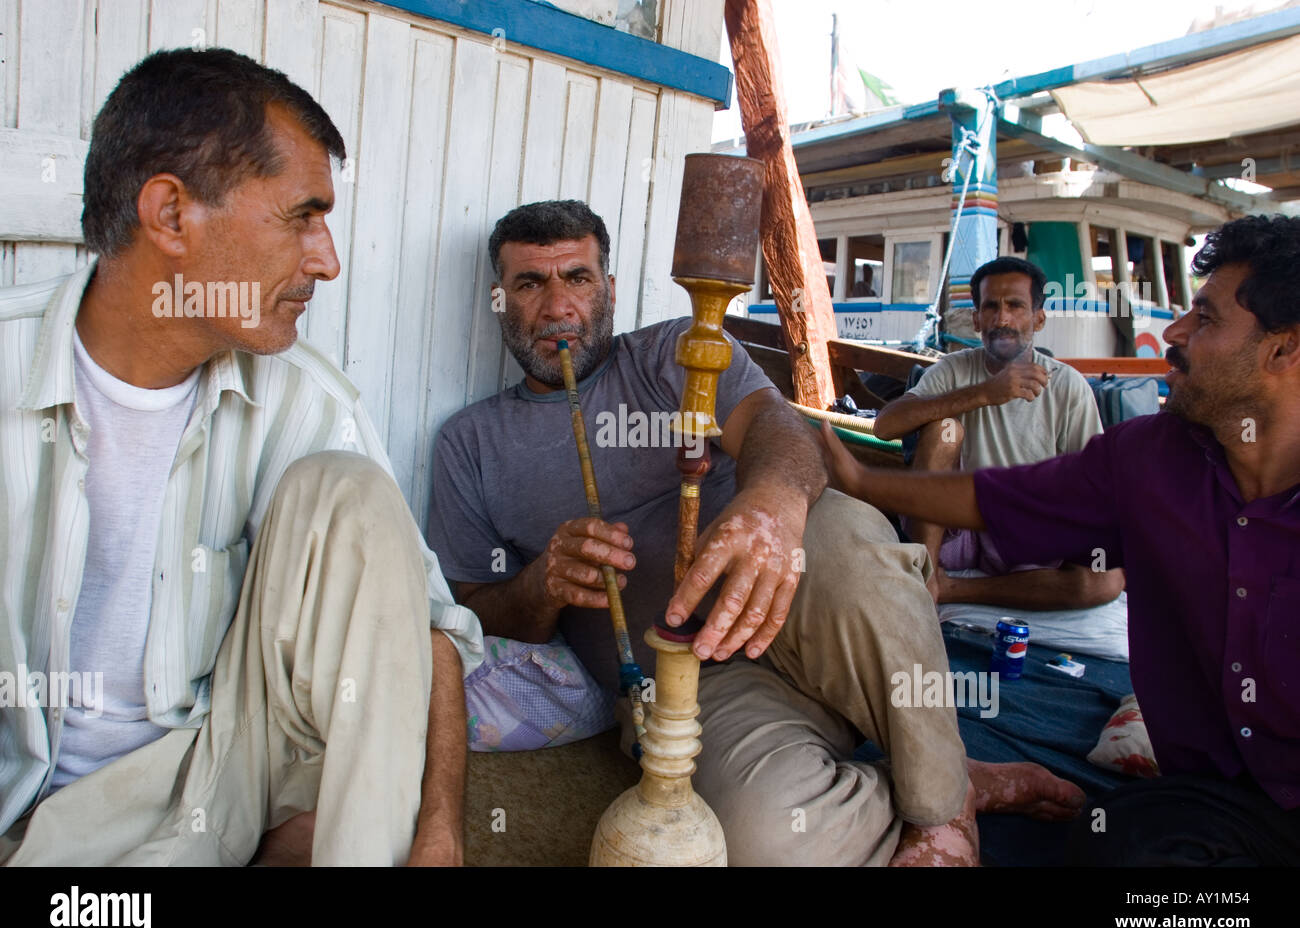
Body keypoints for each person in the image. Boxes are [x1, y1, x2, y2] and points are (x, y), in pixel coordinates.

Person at [428, 199, 1084, 867]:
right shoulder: (469, 445)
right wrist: (541, 587)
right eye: (530, 284)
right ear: (500, 300)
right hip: (695, 686)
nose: (558, 306)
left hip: (804, 598)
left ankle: (943, 819)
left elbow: (778, 431)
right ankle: (947, 778)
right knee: (765, 840)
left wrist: (769, 504)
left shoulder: (674, 350)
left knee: (856, 540)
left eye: (578, 278)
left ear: (610, 290)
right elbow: (475, 610)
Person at [0, 48, 482, 867]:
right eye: (302, 215)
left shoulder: (307, 402)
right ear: (171, 216)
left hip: (218, 779)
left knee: (352, 494)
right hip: (32, 813)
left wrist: (439, 832)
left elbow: (428, 632)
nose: (326, 259)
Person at [820, 214, 1300, 865]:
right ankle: (934, 588)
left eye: (1206, 320)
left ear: (1281, 350)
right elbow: (1010, 497)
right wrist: (864, 480)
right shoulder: (1152, 457)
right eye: (989, 305)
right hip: (1211, 804)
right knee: (1107, 840)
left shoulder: (1070, 389)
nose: (1175, 335)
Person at [872, 256, 1124, 610]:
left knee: (1106, 578)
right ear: (976, 319)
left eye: (1015, 306)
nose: (1002, 319)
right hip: (959, 526)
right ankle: (926, 574)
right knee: (944, 431)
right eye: (990, 306)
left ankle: (951, 589)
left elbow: (1092, 482)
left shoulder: (1067, 385)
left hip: (1030, 532)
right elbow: (885, 425)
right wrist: (983, 394)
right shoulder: (955, 369)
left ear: (1039, 317)